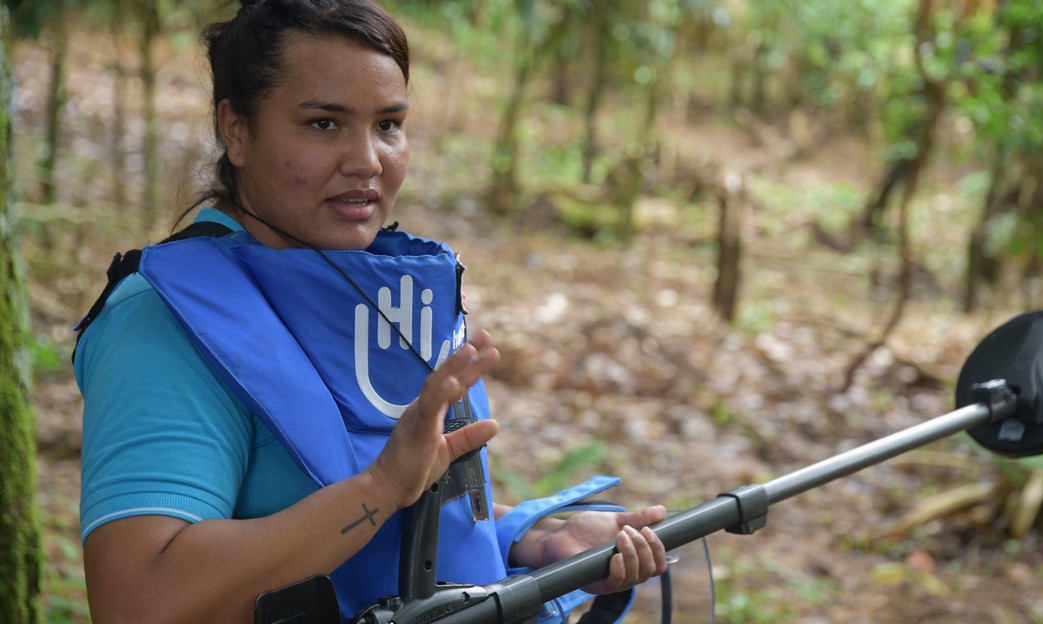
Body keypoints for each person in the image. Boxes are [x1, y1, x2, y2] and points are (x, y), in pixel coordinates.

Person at [73, 0, 668, 622]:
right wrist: (379, 490)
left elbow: (402, 546)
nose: (368, 160)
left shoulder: (384, 294)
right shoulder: (167, 322)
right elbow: (137, 598)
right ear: (237, 130)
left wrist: (531, 540)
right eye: (324, 124)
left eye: (388, 124)